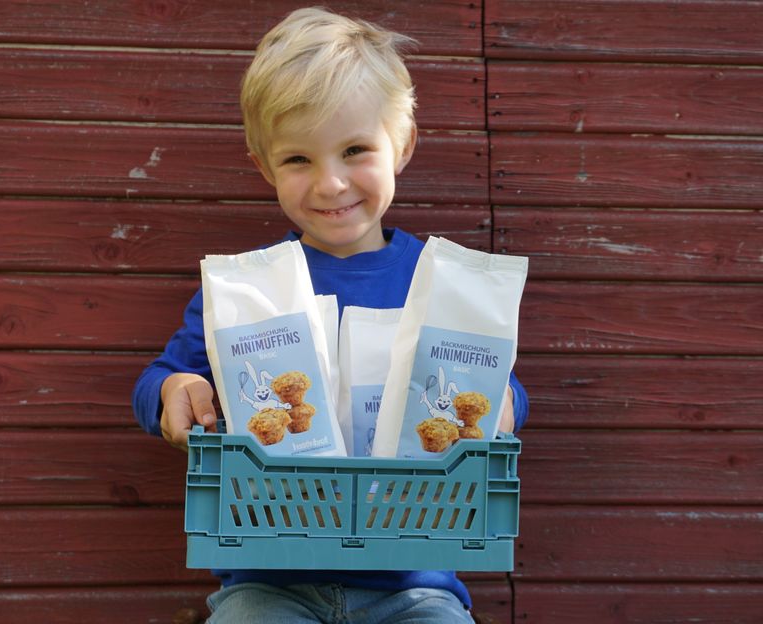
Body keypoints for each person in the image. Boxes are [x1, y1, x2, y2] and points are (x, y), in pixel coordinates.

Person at [132, 7, 529, 623]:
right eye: (298, 160)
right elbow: (161, 377)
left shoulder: (442, 282)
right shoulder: (247, 291)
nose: (331, 184)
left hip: (414, 583)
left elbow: (499, 384)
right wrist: (174, 391)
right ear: (265, 167)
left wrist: (505, 401)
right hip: (267, 583)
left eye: (354, 149)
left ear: (401, 146)